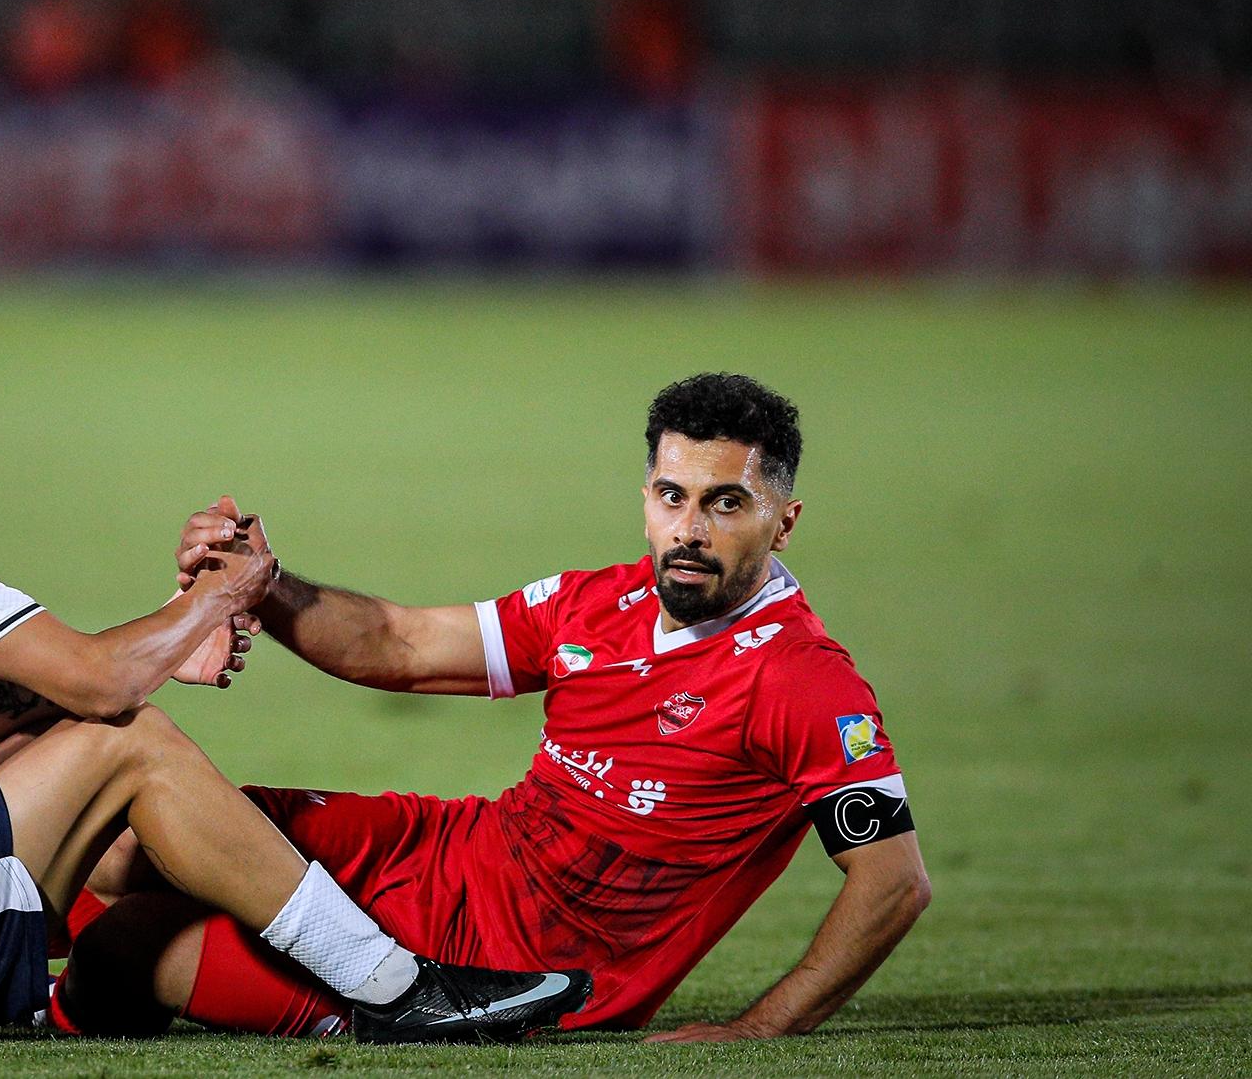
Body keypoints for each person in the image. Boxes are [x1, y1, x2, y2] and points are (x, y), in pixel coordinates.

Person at [0, 273, 591, 1046]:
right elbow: (104, 685)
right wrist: (222, 593)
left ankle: (123, 979)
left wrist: (164, 645)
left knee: (86, 745)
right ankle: (396, 987)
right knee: (129, 739)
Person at [60, 373, 930, 1043]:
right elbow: (399, 643)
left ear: (784, 521)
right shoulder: (597, 602)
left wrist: (760, 1027)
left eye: (726, 503)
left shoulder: (799, 676)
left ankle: (50, 1006)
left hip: (510, 965)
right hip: (446, 850)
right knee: (122, 840)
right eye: (674, 495)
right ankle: (23, 974)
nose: (691, 529)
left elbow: (893, 882)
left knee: (129, 939)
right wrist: (262, 582)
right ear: (647, 498)